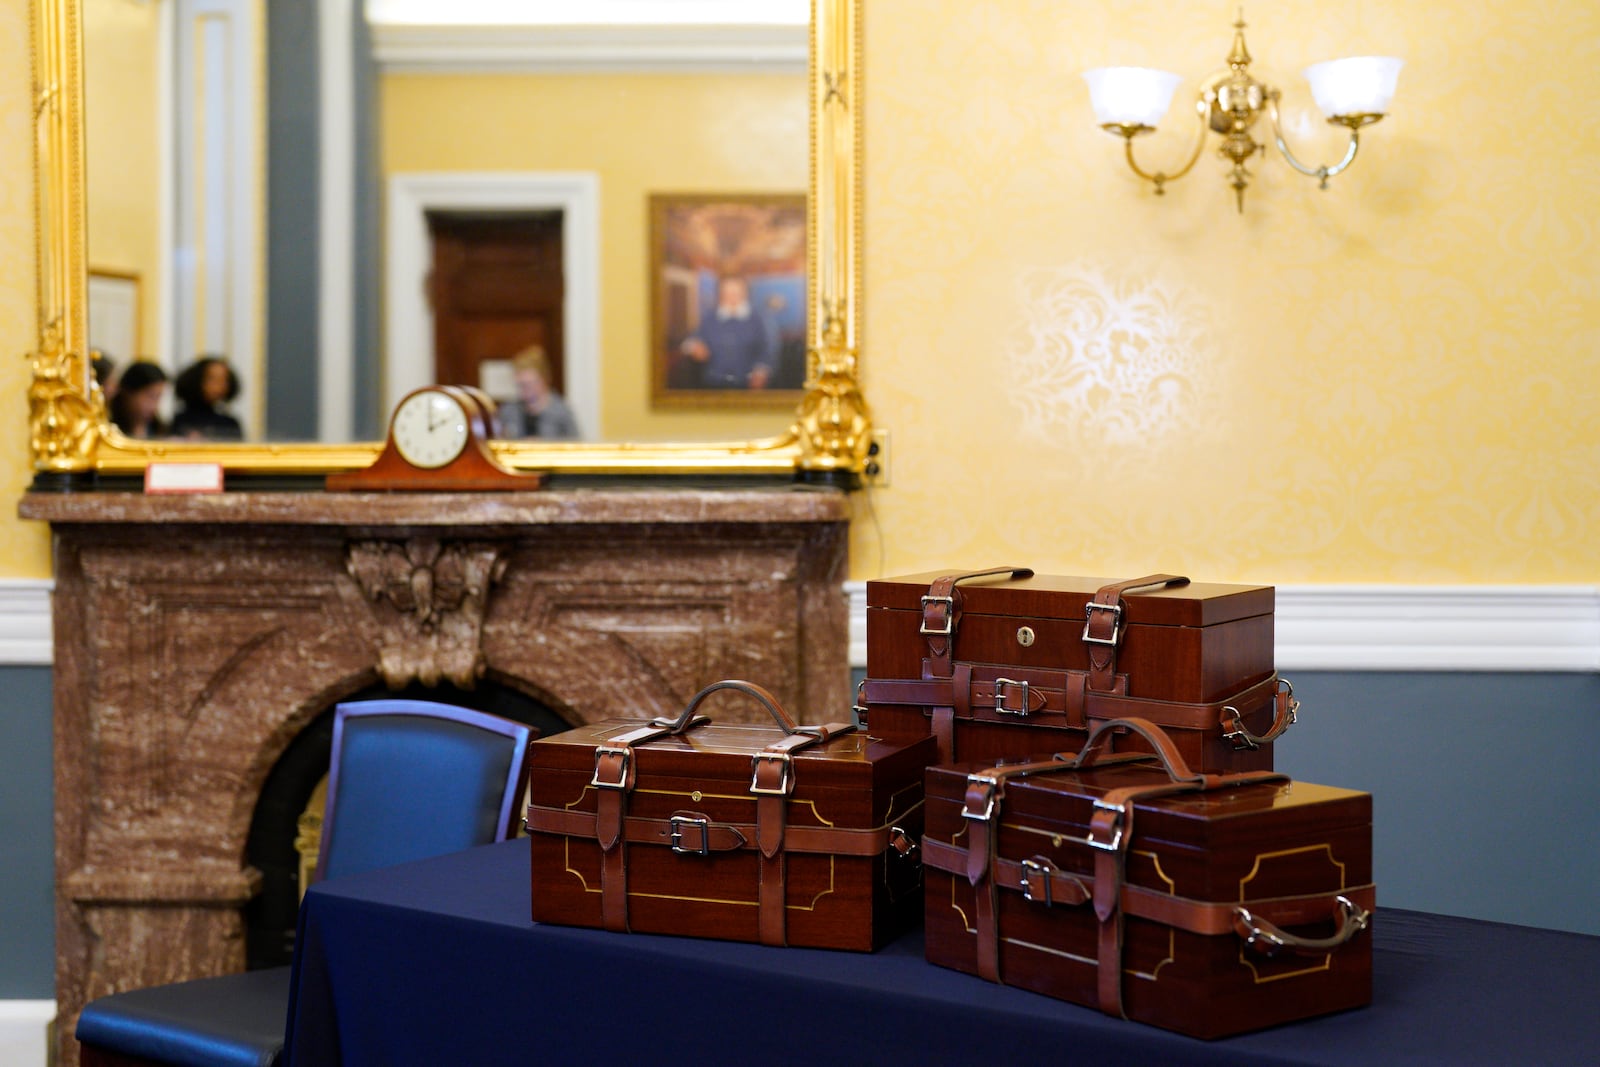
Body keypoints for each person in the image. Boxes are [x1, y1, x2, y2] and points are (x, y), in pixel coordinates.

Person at [677, 274, 778, 389]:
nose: (731, 296)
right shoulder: (709, 318)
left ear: (745, 293)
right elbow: (690, 340)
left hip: (747, 384)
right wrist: (694, 347)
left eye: (736, 292)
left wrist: (761, 372)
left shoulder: (760, 318)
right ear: (720, 294)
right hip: (713, 383)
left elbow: (769, 349)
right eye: (726, 292)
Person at [495, 345, 580, 440]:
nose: (526, 390)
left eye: (530, 384)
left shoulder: (561, 412)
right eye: (521, 385)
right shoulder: (509, 411)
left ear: (544, 380)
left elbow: (575, 445)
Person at [171, 356, 244, 441]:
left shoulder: (229, 424)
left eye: (224, 380)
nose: (219, 386)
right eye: (212, 379)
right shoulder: (181, 421)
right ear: (197, 380)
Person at [109, 361, 169, 440]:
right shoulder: (110, 427)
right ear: (129, 393)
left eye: (158, 397)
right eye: (150, 396)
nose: (154, 406)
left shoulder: (159, 429)